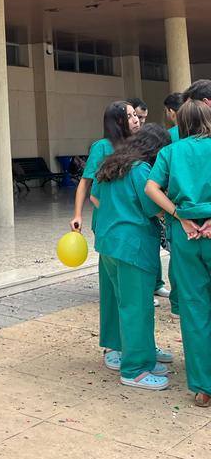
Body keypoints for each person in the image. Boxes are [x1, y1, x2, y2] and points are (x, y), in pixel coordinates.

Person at [92, 124, 173, 390]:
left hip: (109, 243)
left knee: (125, 304)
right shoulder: (140, 170)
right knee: (138, 308)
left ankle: (143, 356)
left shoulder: (110, 166)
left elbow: (96, 199)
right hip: (133, 246)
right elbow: (153, 207)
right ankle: (135, 369)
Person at [145, 98, 211, 407]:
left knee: (194, 308)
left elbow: (151, 188)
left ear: (180, 123)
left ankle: (203, 387)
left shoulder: (170, 152)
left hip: (185, 235)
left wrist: (179, 215)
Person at [70, 101, 140, 233]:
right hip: (108, 217)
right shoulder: (101, 146)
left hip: (133, 216)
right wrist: (77, 215)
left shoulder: (138, 145)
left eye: (135, 115)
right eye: (129, 116)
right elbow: (85, 183)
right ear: (118, 122)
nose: (136, 120)